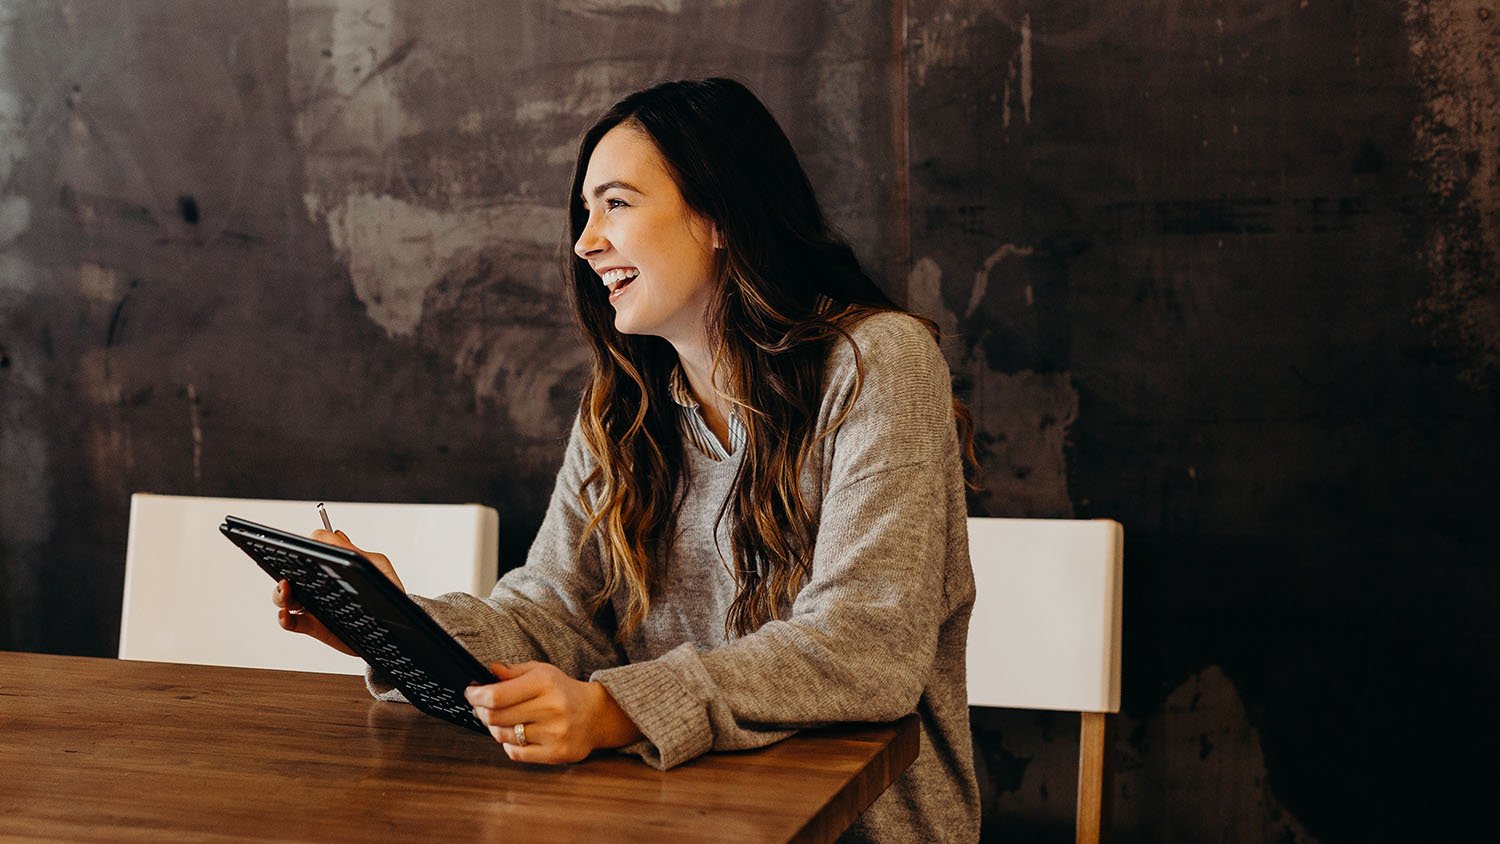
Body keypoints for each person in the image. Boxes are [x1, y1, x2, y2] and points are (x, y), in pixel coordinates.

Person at [273, 77, 980, 842]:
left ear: (718, 216)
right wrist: (394, 625)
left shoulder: (877, 363)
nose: (585, 241)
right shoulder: (622, 407)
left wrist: (613, 711)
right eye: (584, 212)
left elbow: (865, 645)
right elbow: (551, 617)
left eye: (615, 203)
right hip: (667, 817)